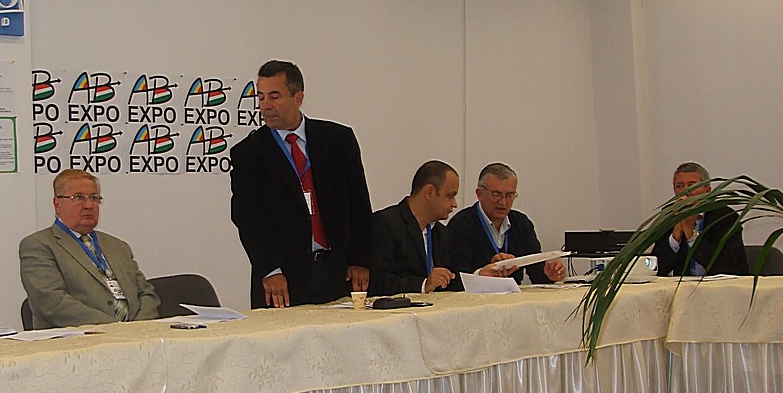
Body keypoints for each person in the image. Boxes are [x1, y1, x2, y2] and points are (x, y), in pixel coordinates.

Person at [230, 60, 373, 308]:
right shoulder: (249, 153)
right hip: (283, 278)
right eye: (261, 97)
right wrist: (270, 269)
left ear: (298, 98)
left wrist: (360, 259)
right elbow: (248, 218)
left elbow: (359, 204)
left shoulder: (338, 140)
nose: (265, 105)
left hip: (338, 271)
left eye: (274, 96)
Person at [19, 170, 159, 326]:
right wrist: (116, 329)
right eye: (78, 197)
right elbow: (52, 303)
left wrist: (140, 327)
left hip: (137, 334)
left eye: (94, 198)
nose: (89, 205)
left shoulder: (118, 246)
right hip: (80, 337)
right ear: (57, 204)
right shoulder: (39, 245)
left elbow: (147, 294)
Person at [447, 162, 566, 284]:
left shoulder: (521, 223)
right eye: (496, 194)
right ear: (479, 194)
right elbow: (455, 278)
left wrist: (550, 274)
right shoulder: (461, 225)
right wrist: (481, 274)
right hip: (477, 295)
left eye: (509, 195)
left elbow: (537, 272)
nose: (503, 202)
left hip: (513, 294)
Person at [369, 160, 465, 297]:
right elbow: (377, 281)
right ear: (429, 192)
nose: (454, 204)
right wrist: (423, 285)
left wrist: (479, 275)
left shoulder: (441, 232)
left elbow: (450, 277)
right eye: (450, 196)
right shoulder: (385, 224)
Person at [651, 162, 749, 277]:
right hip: (683, 286)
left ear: (707, 191)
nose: (686, 191)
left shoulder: (725, 216)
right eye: (680, 186)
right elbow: (656, 268)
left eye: (692, 185)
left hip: (720, 286)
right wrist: (675, 236)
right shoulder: (669, 215)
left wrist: (691, 234)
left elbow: (727, 266)